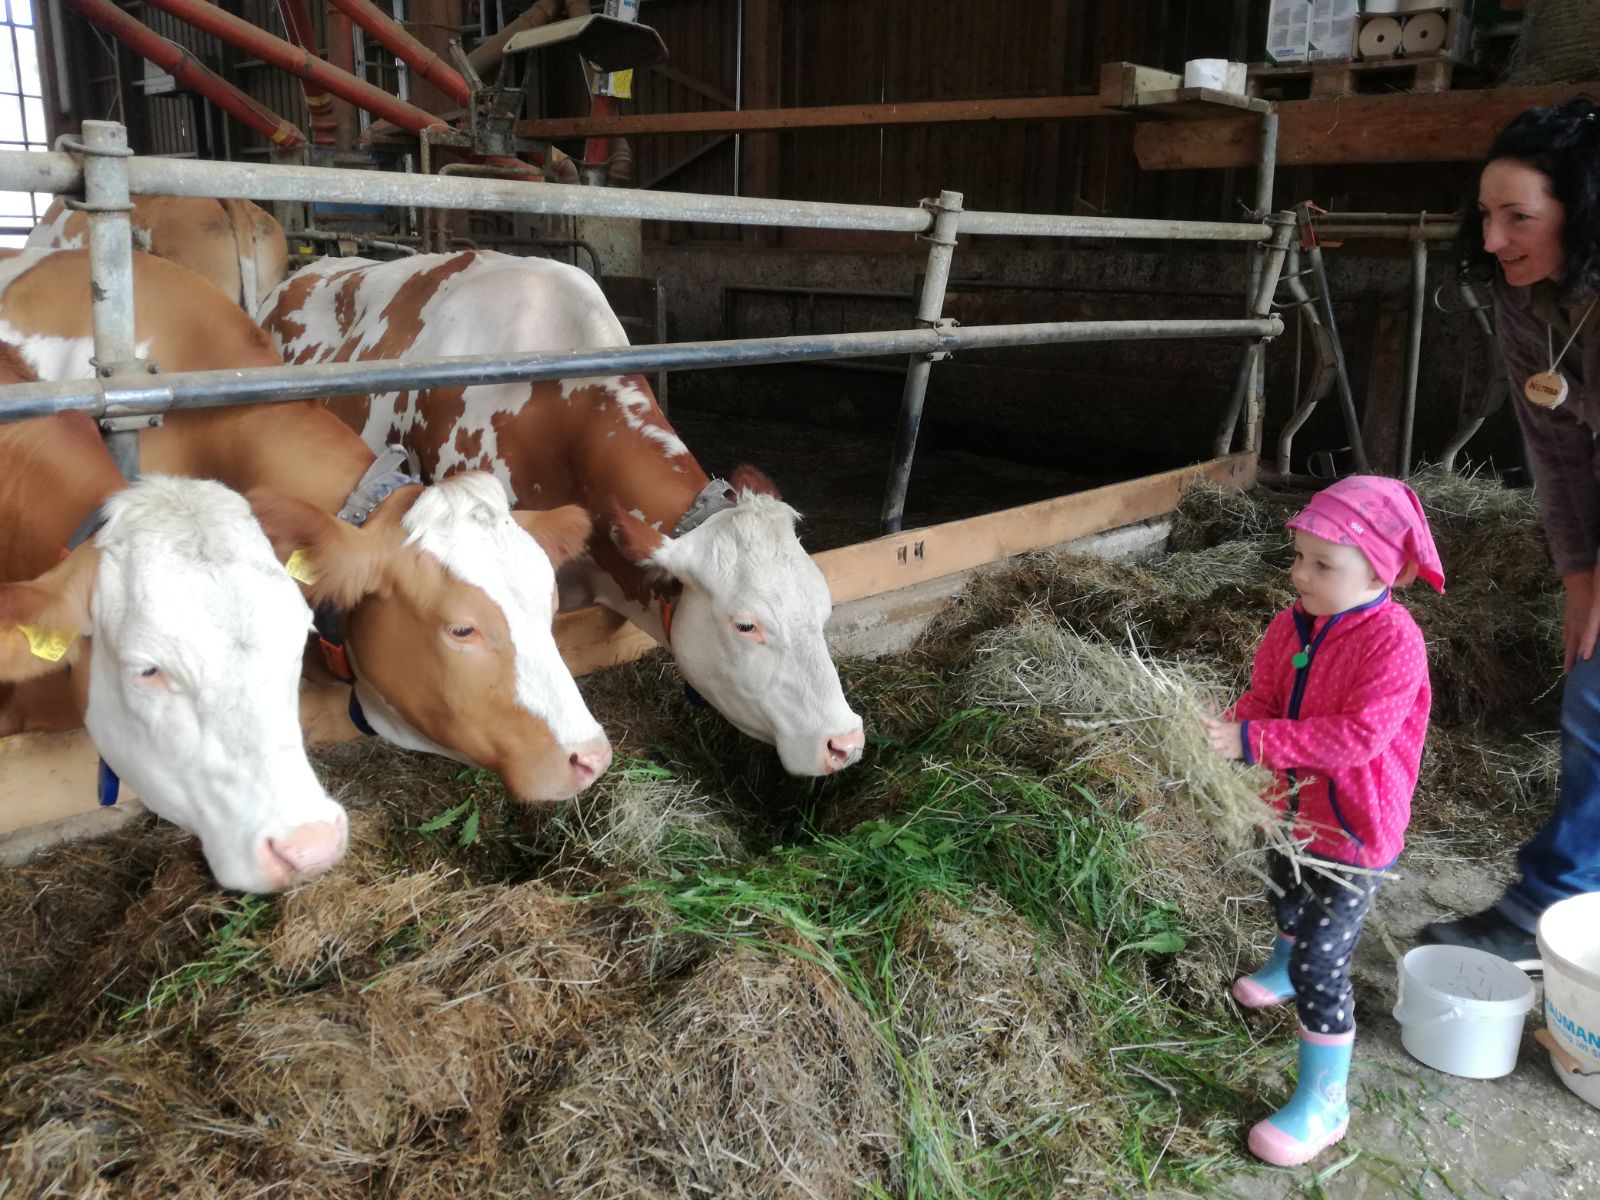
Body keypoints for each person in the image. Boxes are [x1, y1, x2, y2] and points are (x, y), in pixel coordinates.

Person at [1202, 476, 1444, 1168]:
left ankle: (1324, 1102)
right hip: (1291, 810)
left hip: (1354, 834)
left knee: (1323, 960)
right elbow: (1267, 694)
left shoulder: (1395, 643)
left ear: (1381, 569)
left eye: (1321, 564)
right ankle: (1281, 968)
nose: (1298, 574)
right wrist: (1233, 722)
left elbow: (1358, 738)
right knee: (1281, 891)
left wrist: (1254, 745)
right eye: (1298, 556)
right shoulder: (1290, 625)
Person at [1421, 94, 1600, 962]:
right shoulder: (1525, 301)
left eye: (1518, 217)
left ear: (1583, 212)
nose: (1492, 239)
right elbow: (1558, 451)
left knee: (1598, 700)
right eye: (1487, 214)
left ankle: (1550, 907)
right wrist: (1579, 579)